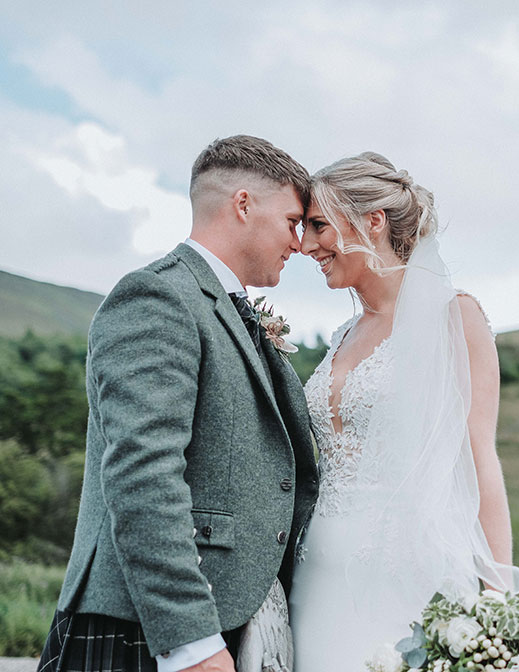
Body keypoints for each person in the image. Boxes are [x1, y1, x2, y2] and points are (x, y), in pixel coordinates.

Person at [37, 135, 319, 672]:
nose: (300, 243)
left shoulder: (225, 309)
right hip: (152, 627)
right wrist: (191, 642)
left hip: (221, 618)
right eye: (292, 221)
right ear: (243, 205)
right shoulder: (158, 297)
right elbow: (143, 474)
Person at [289, 152, 519, 672]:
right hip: (315, 576)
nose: (306, 245)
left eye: (319, 226)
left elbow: (479, 458)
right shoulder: (342, 335)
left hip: (405, 578)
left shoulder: (454, 317)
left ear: (372, 221)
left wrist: (497, 597)